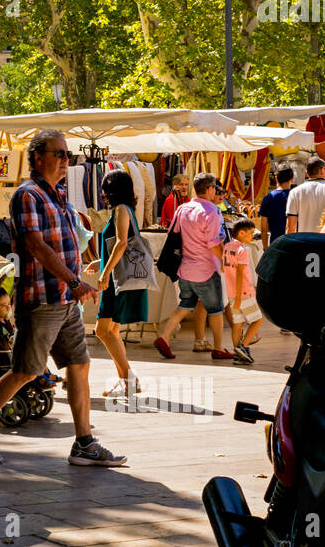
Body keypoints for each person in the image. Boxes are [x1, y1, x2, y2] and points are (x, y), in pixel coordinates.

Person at [0, 129, 125, 467]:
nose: (66, 160)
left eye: (67, 154)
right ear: (38, 158)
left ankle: (84, 443)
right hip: (42, 297)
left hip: (65, 300)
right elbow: (35, 246)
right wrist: (73, 280)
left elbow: (66, 241)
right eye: (59, 154)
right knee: (26, 372)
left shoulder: (59, 194)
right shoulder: (27, 195)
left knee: (80, 365)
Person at [152, 173, 232, 361]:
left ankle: (164, 337)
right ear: (210, 189)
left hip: (185, 268)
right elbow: (214, 243)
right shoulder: (212, 211)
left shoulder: (183, 209)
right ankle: (219, 348)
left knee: (185, 305)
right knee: (216, 309)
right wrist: (226, 262)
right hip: (205, 269)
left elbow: (174, 234)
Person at [90, 169, 143, 398]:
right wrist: (100, 261)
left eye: (104, 187)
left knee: (102, 330)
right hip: (118, 276)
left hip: (115, 280)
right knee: (111, 330)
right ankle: (127, 381)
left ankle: (129, 379)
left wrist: (105, 273)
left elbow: (121, 244)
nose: (102, 192)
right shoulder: (128, 210)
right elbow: (123, 246)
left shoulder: (121, 210)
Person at [223, 219, 263, 364]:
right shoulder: (242, 250)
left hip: (231, 292)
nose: (252, 236)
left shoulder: (227, 247)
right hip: (243, 292)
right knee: (258, 320)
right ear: (241, 233)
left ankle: (238, 355)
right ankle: (243, 347)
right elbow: (240, 273)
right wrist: (240, 296)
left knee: (238, 324)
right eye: (251, 233)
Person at [285, 158, 325, 234]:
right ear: (322, 170)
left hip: (303, 241)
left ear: (307, 173)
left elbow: (290, 227)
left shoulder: (294, 192)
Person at [258, 165, 295, 248]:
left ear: (276, 179)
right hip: (295, 243)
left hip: (275, 244)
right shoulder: (296, 196)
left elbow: (264, 228)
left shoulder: (268, 198)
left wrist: (265, 248)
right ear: (292, 179)